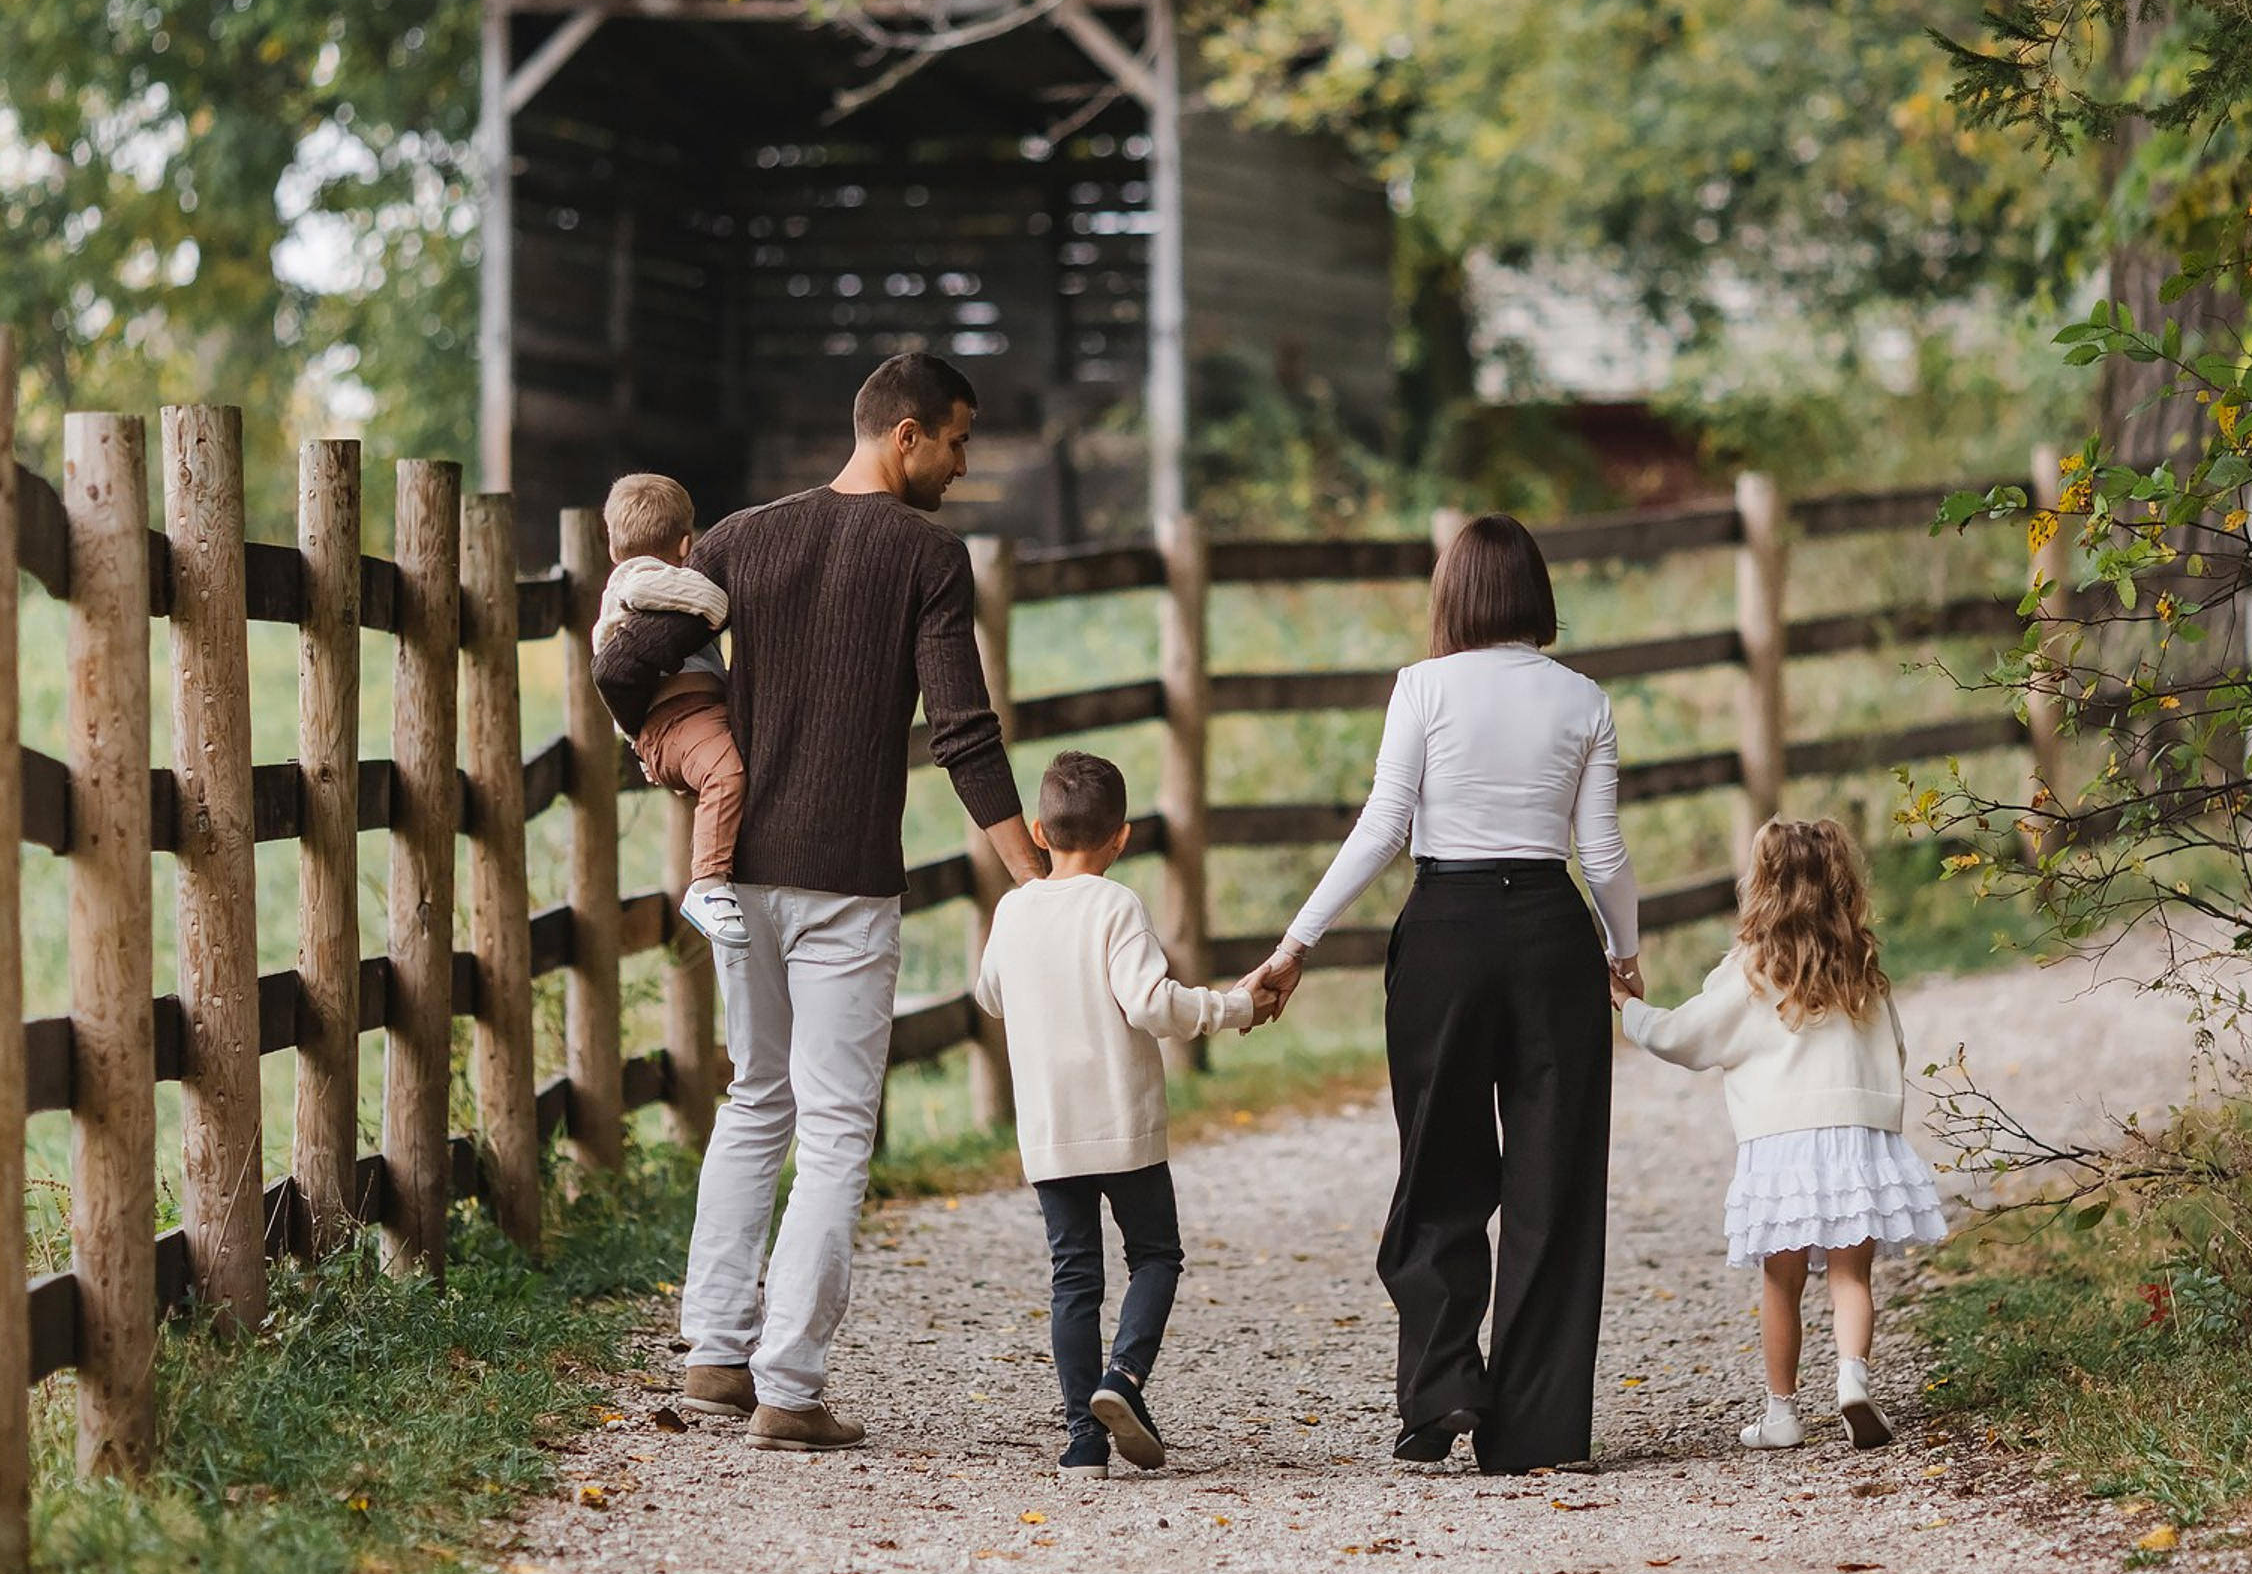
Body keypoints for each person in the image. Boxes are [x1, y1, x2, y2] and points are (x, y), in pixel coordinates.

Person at [591, 352, 1044, 1454]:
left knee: (755, 1099)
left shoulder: (741, 537)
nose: (962, 461)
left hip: (738, 870)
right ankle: (789, 1386)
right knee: (836, 1129)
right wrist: (1037, 877)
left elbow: (627, 652)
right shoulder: (927, 556)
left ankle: (712, 1353)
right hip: (842, 882)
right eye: (956, 439)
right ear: (903, 435)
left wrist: (653, 742)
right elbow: (964, 734)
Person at [1258, 514, 1640, 1475]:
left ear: (1455, 595)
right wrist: (1623, 952)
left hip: (1446, 936)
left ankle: (1438, 1393)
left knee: (1438, 1165)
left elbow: (1386, 824)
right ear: (1536, 595)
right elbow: (1600, 855)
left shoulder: (1422, 688)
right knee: (1554, 1182)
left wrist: (1297, 939)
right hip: (1552, 939)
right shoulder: (1584, 700)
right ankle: (1538, 1429)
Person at [974, 751, 1279, 1479]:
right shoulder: (1116, 907)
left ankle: (1084, 1439)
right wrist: (1232, 1007)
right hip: (1123, 1123)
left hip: (1050, 1130)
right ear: (1123, 837)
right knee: (1156, 1255)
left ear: (1040, 831)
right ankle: (1124, 1378)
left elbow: (990, 995)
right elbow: (1149, 1003)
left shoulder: (1013, 909)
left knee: (1073, 1276)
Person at [1613, 814, 1946, 1451]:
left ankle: (1782, 1412)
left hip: (1782, 1146)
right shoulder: (1862, 965)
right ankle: (1852, 1379)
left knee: (1782, 1281)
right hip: (1856, 1137)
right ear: (1841, 881)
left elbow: (1685, 1036)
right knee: (1852, 1275)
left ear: (1760, 884)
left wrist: (1629, 1008)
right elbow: (1895, 1049)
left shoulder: (1752, 972)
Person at [595, 472, 747, 948]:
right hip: (676, 720)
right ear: (687, 544)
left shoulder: (642, 575)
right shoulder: (637, 580)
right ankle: (707, 883)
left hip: (694, 716)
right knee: (728, 774)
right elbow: (657, 594)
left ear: (611, 546)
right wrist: (719, 599)